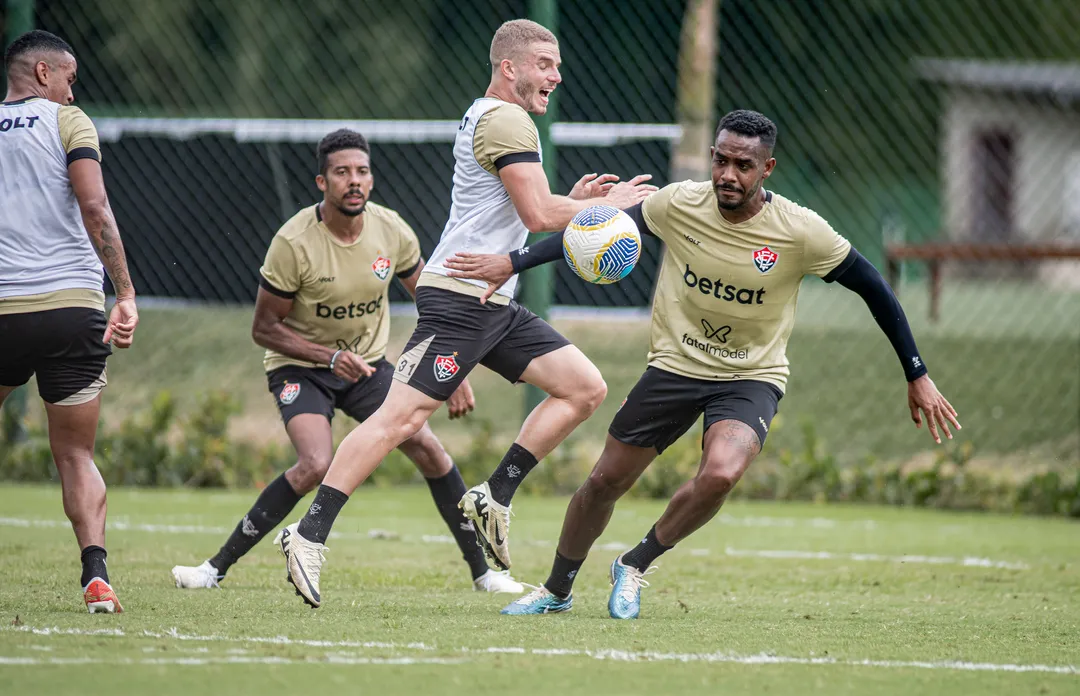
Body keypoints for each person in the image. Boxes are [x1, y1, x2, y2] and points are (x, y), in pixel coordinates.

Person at [444, 109, 961, 619]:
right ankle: (557, 590)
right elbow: (591, 231)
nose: (729, 175)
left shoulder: (801, 232)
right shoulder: (678, 204)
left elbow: (875, 289)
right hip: (674, 367)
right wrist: (512, 261)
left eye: (743, 165)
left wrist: (916, 373)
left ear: (767, 170)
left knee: (721, 472)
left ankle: (634, 563)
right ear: (712, 156)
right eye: (722, 160)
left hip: (750, 377)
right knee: (604, 483)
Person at [279, 19, 656, 609]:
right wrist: (610, 206)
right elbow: (535, 213)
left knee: (583, 387)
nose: (555, 76)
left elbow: (521, 208)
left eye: (556, 66)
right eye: (544, 64)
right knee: (397, 421)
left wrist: (580, 204)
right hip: (459, 298)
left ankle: (494, 495)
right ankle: (308, 534)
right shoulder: (508, 119)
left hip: (491, 299)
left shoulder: (492, 116)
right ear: (509, 67)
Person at [170, 129, 522, 595]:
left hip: (367, 368)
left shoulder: (390, 230)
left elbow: (434, 303)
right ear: (322, 182)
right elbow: (264, 329)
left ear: (371, 180)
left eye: (361, 172)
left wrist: (451, 367)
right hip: (300, 368)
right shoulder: (293, 242)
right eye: (341, 173)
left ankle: (483, 574)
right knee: (315, 463)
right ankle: (213, 569)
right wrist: (328, 356)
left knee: (431, 451)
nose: (353, 181)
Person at [0, 30, 139, 613]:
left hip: (4, 309)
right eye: (68, 79)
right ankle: (95, 574)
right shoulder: (68, 124)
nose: (71, 91)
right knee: (75, 455)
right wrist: (126, 293)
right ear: (41, 74)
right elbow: (95, 207)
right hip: (70, 310)